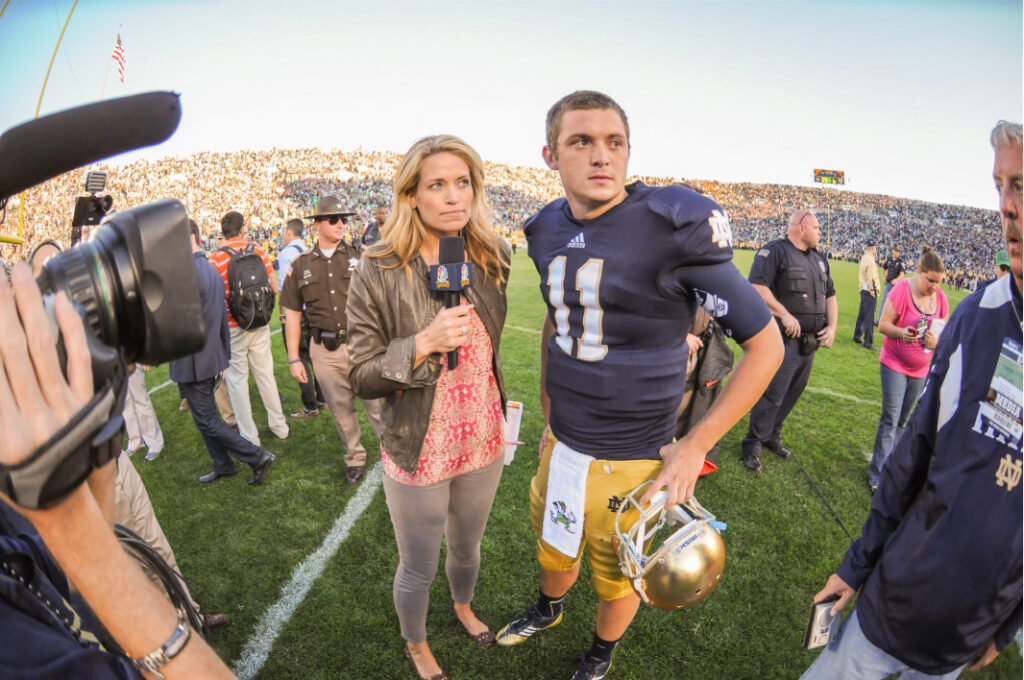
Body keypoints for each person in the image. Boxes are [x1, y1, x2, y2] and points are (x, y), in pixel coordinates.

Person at [495, 91, 783, 680]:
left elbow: (767, 346)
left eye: (614, 142)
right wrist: (551, 415)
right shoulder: (544, 227)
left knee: (620, 568)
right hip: (567, 441)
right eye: (581, 142)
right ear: (550, 155)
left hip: (637, 454)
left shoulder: (670, 226)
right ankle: (549, 607)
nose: (601, 156)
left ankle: (600, 654)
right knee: (554, 544)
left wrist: (695, 445)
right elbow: (560, 316)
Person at [800, 120, 1022, 680]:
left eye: (1021, 185)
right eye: (1000, 186)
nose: (1007, 206)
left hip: (966, 635)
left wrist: (1005, 627)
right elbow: (914, 457)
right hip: (897, 604)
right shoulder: (978, 318)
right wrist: (855, 568)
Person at [0, 261, 236, 679]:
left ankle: (191, 614)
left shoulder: (14, 544)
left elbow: (69, 587)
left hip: (98, 467)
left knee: (152, 545)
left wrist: (95, 446)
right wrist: (77, 529)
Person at [348, 134, 510, 680]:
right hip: (418, 444)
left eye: (462, 183)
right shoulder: (377, 267)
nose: (453, 197)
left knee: (466, 548)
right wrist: (421, 343)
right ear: (410, 195)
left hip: (483, 436)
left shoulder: (489, 255)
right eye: (436, 184)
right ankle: (416, 643)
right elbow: (360, 374)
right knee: (418, 565)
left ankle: (463, 606)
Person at [280, 197, 382, 485]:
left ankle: (395, 455)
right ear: (318, 225)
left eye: (344, 219)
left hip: (363, 344)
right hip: (324, 349)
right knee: (340, 409)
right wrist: (293, 358)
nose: (341, 224)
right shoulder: (300, 265)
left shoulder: (360, 255)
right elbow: (292, 316)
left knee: (377, 405)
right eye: (334, 219)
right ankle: (355, 457)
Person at [172, 220, 275, 487]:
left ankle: (257, 457)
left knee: (207, 420)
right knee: (204, 418)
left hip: (197, 360)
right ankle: (223, 463)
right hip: (205, 357)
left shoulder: (191, 272)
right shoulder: (204, 268)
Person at [741, 209, 838, 473]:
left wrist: (832, 326)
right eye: (817, 228)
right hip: (783, 340)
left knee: (793, 393)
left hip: (810, 343)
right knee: (773, 395)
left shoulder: (819, 259)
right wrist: (784, 314)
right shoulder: (775, 252)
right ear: (802, 227)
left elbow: (831, 295)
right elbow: (757, 287)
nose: (821, 233)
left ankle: (772, 435)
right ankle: (753, 444)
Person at [868, 246, 949, 494]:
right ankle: (877, 476)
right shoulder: (903, 289)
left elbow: (945, 333)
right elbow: (882, 325)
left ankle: (891, 468)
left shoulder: (941, 299)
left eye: (939, 281)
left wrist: (937, 343)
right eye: (931, 280)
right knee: (891, 418)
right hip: (894, 364)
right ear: (920, 271)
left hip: (920, 369)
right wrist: (901, 332)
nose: (935, 286)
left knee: (903, 421)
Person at [209, 210, 289, 446]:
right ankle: (279, 426)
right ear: (243, 228)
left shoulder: (216, 259)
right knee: (265, 375)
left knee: (237, 382)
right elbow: (274, 288)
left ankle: (250, 437)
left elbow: (216, 298)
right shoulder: (259, 250)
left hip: (233, 326)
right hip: (260, 322)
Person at [277, 218, 325, 419]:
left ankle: (310, 406)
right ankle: (323, 398)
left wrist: (282, 315)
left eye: (283, 231)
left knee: (300, 358)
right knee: (316, 356)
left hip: (298, 312)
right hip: (314, 310)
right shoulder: (308, 250)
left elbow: (283, 290)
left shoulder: (286, 253)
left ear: (289, 232)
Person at [122, 363, 164, 460]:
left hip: (131, 357)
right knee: (125, 403)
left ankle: (155, 443)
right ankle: (135, 441)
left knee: (141, 401)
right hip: (114, 360)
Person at [853, 240, 881, 350]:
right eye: (875, 247)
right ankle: (868, 342)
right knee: (869, 317)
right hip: (869, 290)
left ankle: (857, 335)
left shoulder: (864, 258)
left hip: (863, 289)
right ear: (872, 247)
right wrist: (874, 291)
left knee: (862, 314)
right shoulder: (870, 261)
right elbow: (872, 278)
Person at [874, 246, 904, 325]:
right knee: (884, 301)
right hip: (888, 284)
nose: (897, 253)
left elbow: (902, 274)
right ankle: (879, 320)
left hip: (895, 286)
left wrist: (897, 280)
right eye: (896, 251)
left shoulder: (900, 262)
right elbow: (884, 269)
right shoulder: (889, 259)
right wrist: (883, 277)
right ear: (893, 251)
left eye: (898, 251)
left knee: (894, 304)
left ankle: (892, 322)